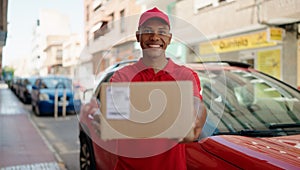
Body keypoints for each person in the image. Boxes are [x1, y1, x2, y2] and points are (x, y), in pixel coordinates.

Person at [109, 7, 207, 170]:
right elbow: (117, 120)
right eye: (148, 31)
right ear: (138, 36)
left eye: (161, 32)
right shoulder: (122, 77)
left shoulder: (185, 76)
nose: (155, 37)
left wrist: (197, 118)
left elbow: (197, 106)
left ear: (169, 39)